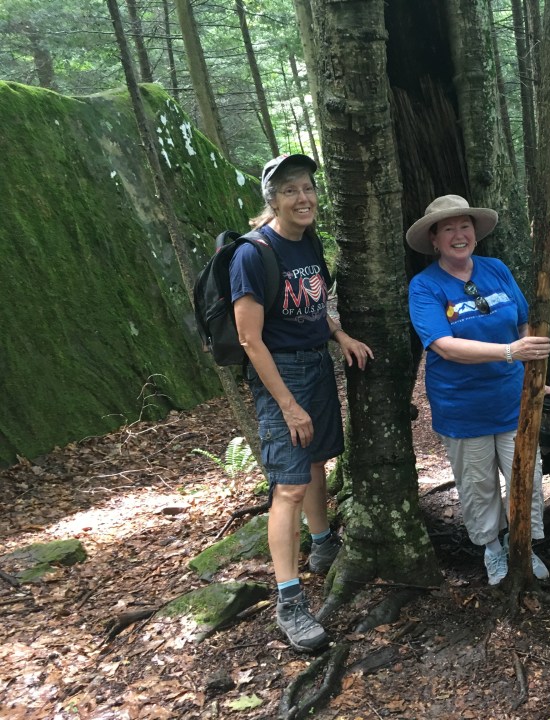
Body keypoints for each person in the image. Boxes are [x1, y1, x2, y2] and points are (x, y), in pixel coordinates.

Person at [230, 154, 373, 650]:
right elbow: (250, 340)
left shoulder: (308, 241)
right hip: (280, 375)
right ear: (272, 199)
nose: (303, 197)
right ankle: (289, 601)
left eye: (308, 187)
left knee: (316, 461)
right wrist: (287, 404)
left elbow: (314, 302)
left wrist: (340, 335)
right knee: (288, 486)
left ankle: (322, 545)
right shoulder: (253, 253)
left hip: (315, 363)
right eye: (290, 190)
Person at [406, 195, 550, 586]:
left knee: (525, 475)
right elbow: (443, 345)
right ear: (434, 238)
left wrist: (535, 379)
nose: (459, 235)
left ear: (475, 231)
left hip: (514, 401)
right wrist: (510, 352)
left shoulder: (495, 269)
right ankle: (492, 550)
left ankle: (523, 544)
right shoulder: (425, 286)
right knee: (477, 484)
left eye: (464, 226)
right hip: (462, 407)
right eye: (448, 229)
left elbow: (524, 323)